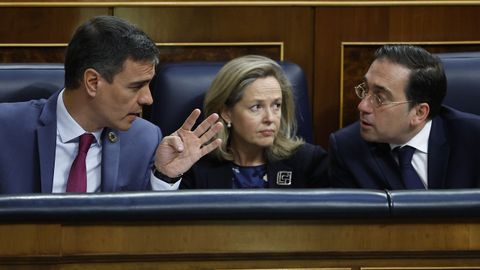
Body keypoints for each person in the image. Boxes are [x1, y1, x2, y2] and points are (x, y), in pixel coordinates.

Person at [0, 16, 222, 193]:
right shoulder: (6, 128)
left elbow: (142, 234)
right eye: (136, 87)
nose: (148, 99)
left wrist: (164, 176)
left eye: (149, 86)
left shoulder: (144, 139)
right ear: (93, 82)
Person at [329, 44, 480, 189]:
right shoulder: (347, 148)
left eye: (380, 98)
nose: (362, 106)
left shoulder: (473, 138)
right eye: (366, 89)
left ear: (419, 113)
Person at [178, 55, 328, 189]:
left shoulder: (309, 162)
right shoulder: (197, 167)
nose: (270, 118)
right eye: (256, 107)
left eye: (276, 105)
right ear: (227, 113)